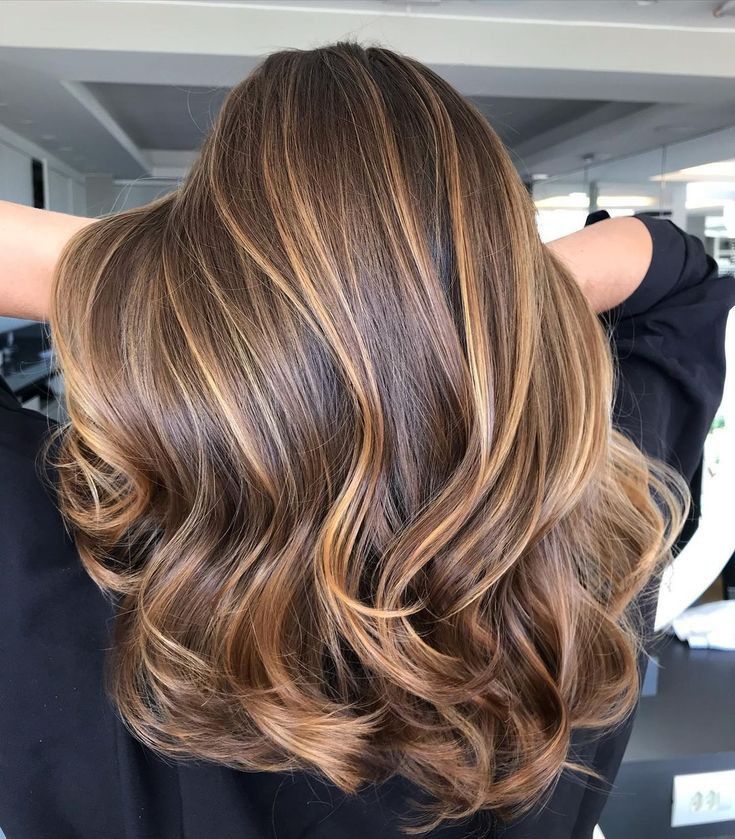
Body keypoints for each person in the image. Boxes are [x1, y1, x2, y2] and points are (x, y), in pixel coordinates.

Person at [0, 42, 733, 839]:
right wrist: (467, 297)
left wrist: (153, 288)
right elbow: (678, 279)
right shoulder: (585, 547)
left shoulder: (56, 569)